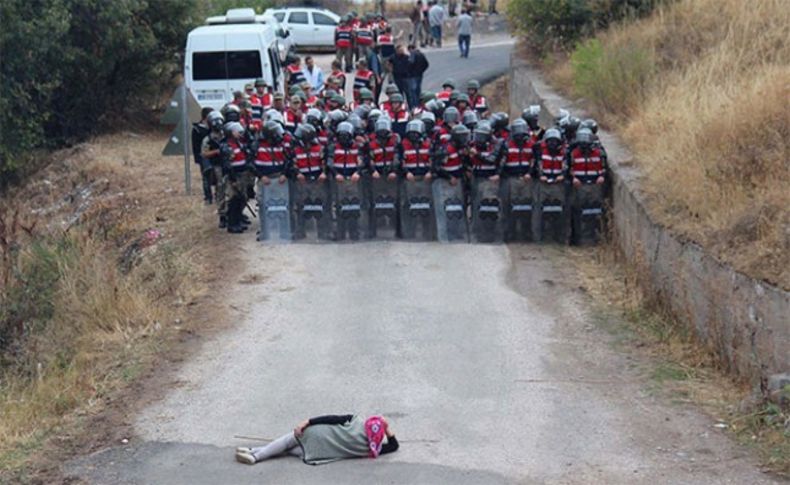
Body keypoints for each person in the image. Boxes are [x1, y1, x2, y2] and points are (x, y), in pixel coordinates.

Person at [235, 414, 399, 465]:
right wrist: (386, 430)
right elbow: (394, 446)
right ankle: (252, 452)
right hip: (317, 453)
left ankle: (256, 456)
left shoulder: (355, 421)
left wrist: (308, 422)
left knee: (285, 441)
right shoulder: (372, 449)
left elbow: (332, 418)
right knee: (287, 450)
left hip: (315, 435)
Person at [192, 107, 214, 204]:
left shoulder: (212, 127)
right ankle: (208, 197)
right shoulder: (197, 129)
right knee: (206, 177)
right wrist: (198, 158)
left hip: (213, 154)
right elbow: (195, 145)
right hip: (203, 156)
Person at [408, 44, 429, 111]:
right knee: (418, 90)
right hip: (419, 74)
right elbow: (426, 64)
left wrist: (409, 71)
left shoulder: (413, 54)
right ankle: (418, 103)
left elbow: (411, 63)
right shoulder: (421, 54)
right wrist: (421, 70)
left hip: (413, 75)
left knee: (413, 90)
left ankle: (415, 105)